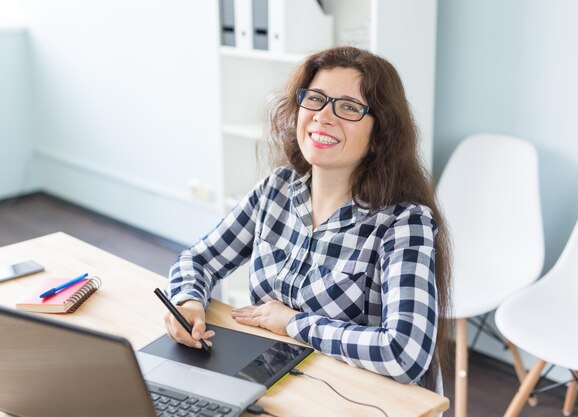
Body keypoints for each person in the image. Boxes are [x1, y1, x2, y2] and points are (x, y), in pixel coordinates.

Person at [164, 46, 451, 392]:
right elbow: (199, 260)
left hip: (355, 396)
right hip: (270, 378)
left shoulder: (404, 223)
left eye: (348, 107)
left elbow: (405, 353)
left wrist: (294, 323)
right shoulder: (277, 188)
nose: (323, 117)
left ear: (379, 136)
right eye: (315, 99)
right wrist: (187, 302)